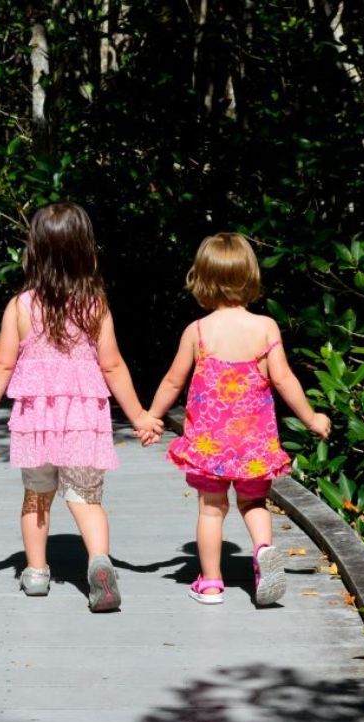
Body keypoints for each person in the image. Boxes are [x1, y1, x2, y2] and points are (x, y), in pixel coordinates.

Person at [0, 202, 162, 612]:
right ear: (85, 250)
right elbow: (112, 365)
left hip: (36, 423)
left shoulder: (21, 306)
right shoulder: (95, 304)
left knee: (36, 496)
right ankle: (98, 561)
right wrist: (140, 417)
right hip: (83, 421)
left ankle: (36, 573)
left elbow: (3, 362)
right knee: (86, 497)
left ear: (35, 252)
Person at [144, 232, 331, 606]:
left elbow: (172, 381)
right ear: (250, 276)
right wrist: (311, 418)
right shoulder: (265, 328)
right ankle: (263, 550)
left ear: (202, 279)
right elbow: (283, 379)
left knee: (211, 510)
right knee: (253, 503)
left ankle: (211, 582)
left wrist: (151, 416)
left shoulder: (197, 332)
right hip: (254, 442)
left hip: (210, 443)